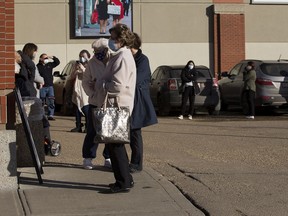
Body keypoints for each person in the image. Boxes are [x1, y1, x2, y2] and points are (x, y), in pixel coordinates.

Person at [94, 24, 136, 193]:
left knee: (115, 145)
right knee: (115, 144)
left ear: (120, 39)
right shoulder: (120, 55)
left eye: (112, 38)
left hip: (116, 106)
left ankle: (123, 181)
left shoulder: (123, 57)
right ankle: (126, 178)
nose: (110, 41)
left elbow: (118, 86)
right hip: (116, 105)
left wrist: (101, 83)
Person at [129, 33, 158, 173]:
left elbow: (136, 80)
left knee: (135, 133)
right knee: (127, 133)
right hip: (129, 99)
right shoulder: (129, 58)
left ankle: (136, 163)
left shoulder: (142, 60)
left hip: (137, 100)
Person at [82, 39, 111, 169]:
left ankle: (108, 157)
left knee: (109, 132)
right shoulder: (91, 63)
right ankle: (88, 157)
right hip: (95, 101)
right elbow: (86, 82)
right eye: (95, 51)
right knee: (93, 131)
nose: (96, 53)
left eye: (99, 51)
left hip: (110, 102)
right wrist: (92, 94)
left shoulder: (113, 60)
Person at [70, 50, 90, 133]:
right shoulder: (76, 64)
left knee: (86, 109)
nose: (82, 58)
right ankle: (78, 126)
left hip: (85, 89)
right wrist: (76, 70)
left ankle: (88, 127)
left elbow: (91, 75)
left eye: (83, 56)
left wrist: (83, 69)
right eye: (80, 56)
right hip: (77, 89)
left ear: (88, 57)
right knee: (77, 108)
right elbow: (71, 76)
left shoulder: (91, 65)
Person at [37, 54, 60, 120]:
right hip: (42, 87)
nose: (46, 59)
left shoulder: (49, 65)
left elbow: (57, 62)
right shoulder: (38, 67)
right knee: (42, 101)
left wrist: (52, 57)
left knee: (51, 101)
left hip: (50, 86)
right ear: (41, 59)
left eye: (47, 58)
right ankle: (42, 115)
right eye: (45, 58)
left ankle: (51, 115)